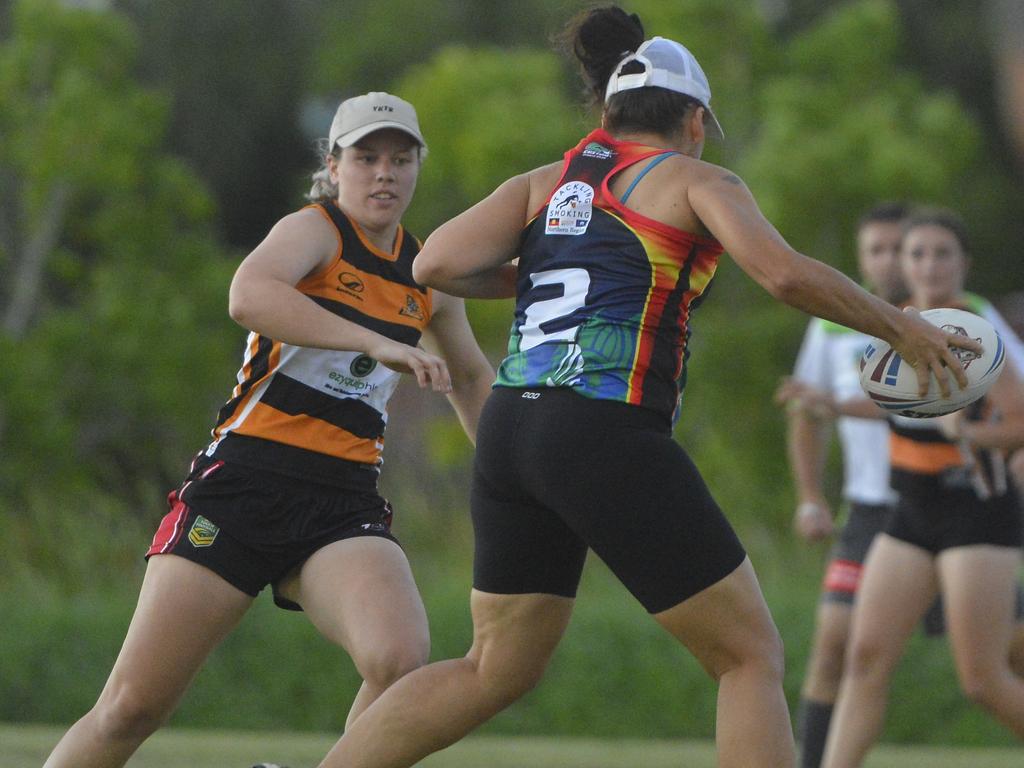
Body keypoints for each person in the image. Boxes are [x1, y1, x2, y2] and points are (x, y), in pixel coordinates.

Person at [301, 8, 980, 768]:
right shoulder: (695, 178)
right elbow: (784, 273)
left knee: (493, 668)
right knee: (748, 657)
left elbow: (433, 267)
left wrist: (554, 269)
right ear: (693, 119)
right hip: (600, 430)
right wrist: (903, 328)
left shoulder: (546, 180)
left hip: (509, 429)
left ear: (612, 114)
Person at [41, 92, 495, 768]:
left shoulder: (427, 272)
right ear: (334, 164)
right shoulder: (314, 230)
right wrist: (373, 341)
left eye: (401, 159)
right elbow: (248, 295)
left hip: (341, 501)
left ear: (417, 169)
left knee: (399, 660)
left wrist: (522, 479)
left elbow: (469, 380)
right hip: (244, 483)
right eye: (366, 157)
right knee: (130, 708)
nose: (384, 173)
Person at [777, 204, 1024, 768]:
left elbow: (1019, 421)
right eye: (918, 254)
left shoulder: (974, 330)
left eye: (942, 254)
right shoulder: (899, 326)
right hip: (910, 511)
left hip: (976, 514)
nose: (929, 265)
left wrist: (966, 430)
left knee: (983, 680)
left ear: (964, 262)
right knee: (863, 658)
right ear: (902, 264)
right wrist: (828, 404)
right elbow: (894, 403)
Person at [774, 203, 907, 768]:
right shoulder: (834, 323)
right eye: (876, 248)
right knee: (834, 648)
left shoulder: (958, 321)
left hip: (948, 512)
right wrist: (810, 498)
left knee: (999, 660)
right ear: (861, 257)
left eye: (902, 247)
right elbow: (804, 413)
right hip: (869, 516)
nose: (891, 261)